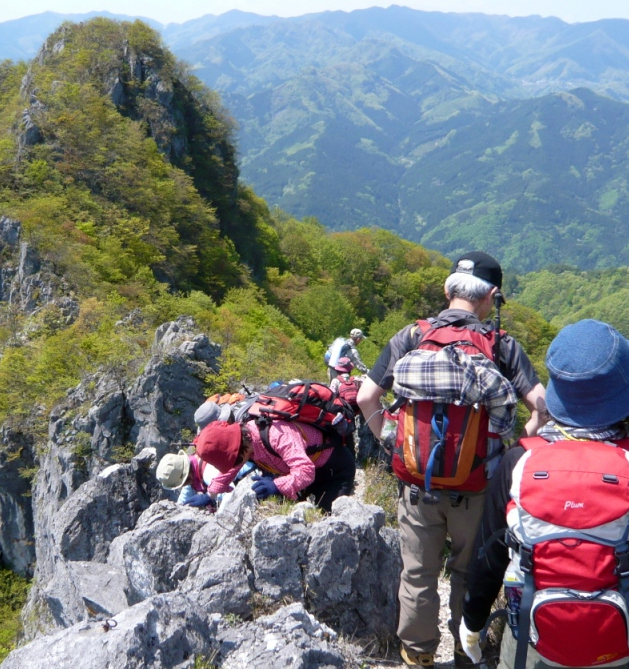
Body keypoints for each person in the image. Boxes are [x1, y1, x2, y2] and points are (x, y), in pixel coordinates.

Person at [357, 251, 547, 668]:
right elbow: (542, 405)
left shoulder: (411, 337)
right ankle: (466, 656)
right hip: (477, 488)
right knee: (467, 575)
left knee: (418, 575)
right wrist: (516, 449)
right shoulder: (501, 347)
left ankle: (418, 656)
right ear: (492, 296)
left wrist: (392, 441)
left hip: (417, 486)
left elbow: (365, 397)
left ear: (447, 291)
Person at [460, 320, 629, 669]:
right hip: (624, 643)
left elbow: (489, 557)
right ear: (626, 400)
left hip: (532, 641)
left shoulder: (519, 461)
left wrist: (472, 623)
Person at [196, 419, 355, 513]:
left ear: (238, 448)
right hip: (310, 472)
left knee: (327, 516)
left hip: (335, 470)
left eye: (235, 460)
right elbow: (232, 468)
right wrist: (210, 495)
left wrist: (276, 486)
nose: (236, 465)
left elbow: (305, 472)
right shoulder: (246, 442)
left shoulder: (277, 435)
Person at [155, 449, 254, 508]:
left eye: (183, 483)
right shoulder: (195, 467)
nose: (185, 486)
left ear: (187, 478)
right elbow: (184, 499)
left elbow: (230, 495)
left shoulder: (208, 472)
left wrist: (219, 520)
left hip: (251, 480)